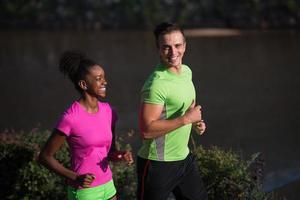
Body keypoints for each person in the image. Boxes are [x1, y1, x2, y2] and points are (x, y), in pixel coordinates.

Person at [38, 51, 133, 200]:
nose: (105, 82)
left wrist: (120, 155)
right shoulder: (70, 118)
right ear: (83, 84)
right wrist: (75, 177)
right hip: (85, 192)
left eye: (104, 78)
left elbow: (109, 152)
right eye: (98, 79)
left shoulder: (109, 111)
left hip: (108, 185)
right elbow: (45, 157)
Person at [137, 22, 208, 200]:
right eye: (166, 47)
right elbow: (146, 130)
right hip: (157, 164)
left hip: (183, 159)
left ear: (184, 45)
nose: (173, 52)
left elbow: (184, 109)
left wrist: (195, 122)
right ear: (158, 49)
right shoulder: (156, 84)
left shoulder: (186, 72)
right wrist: (185, 119)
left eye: (177, 46)